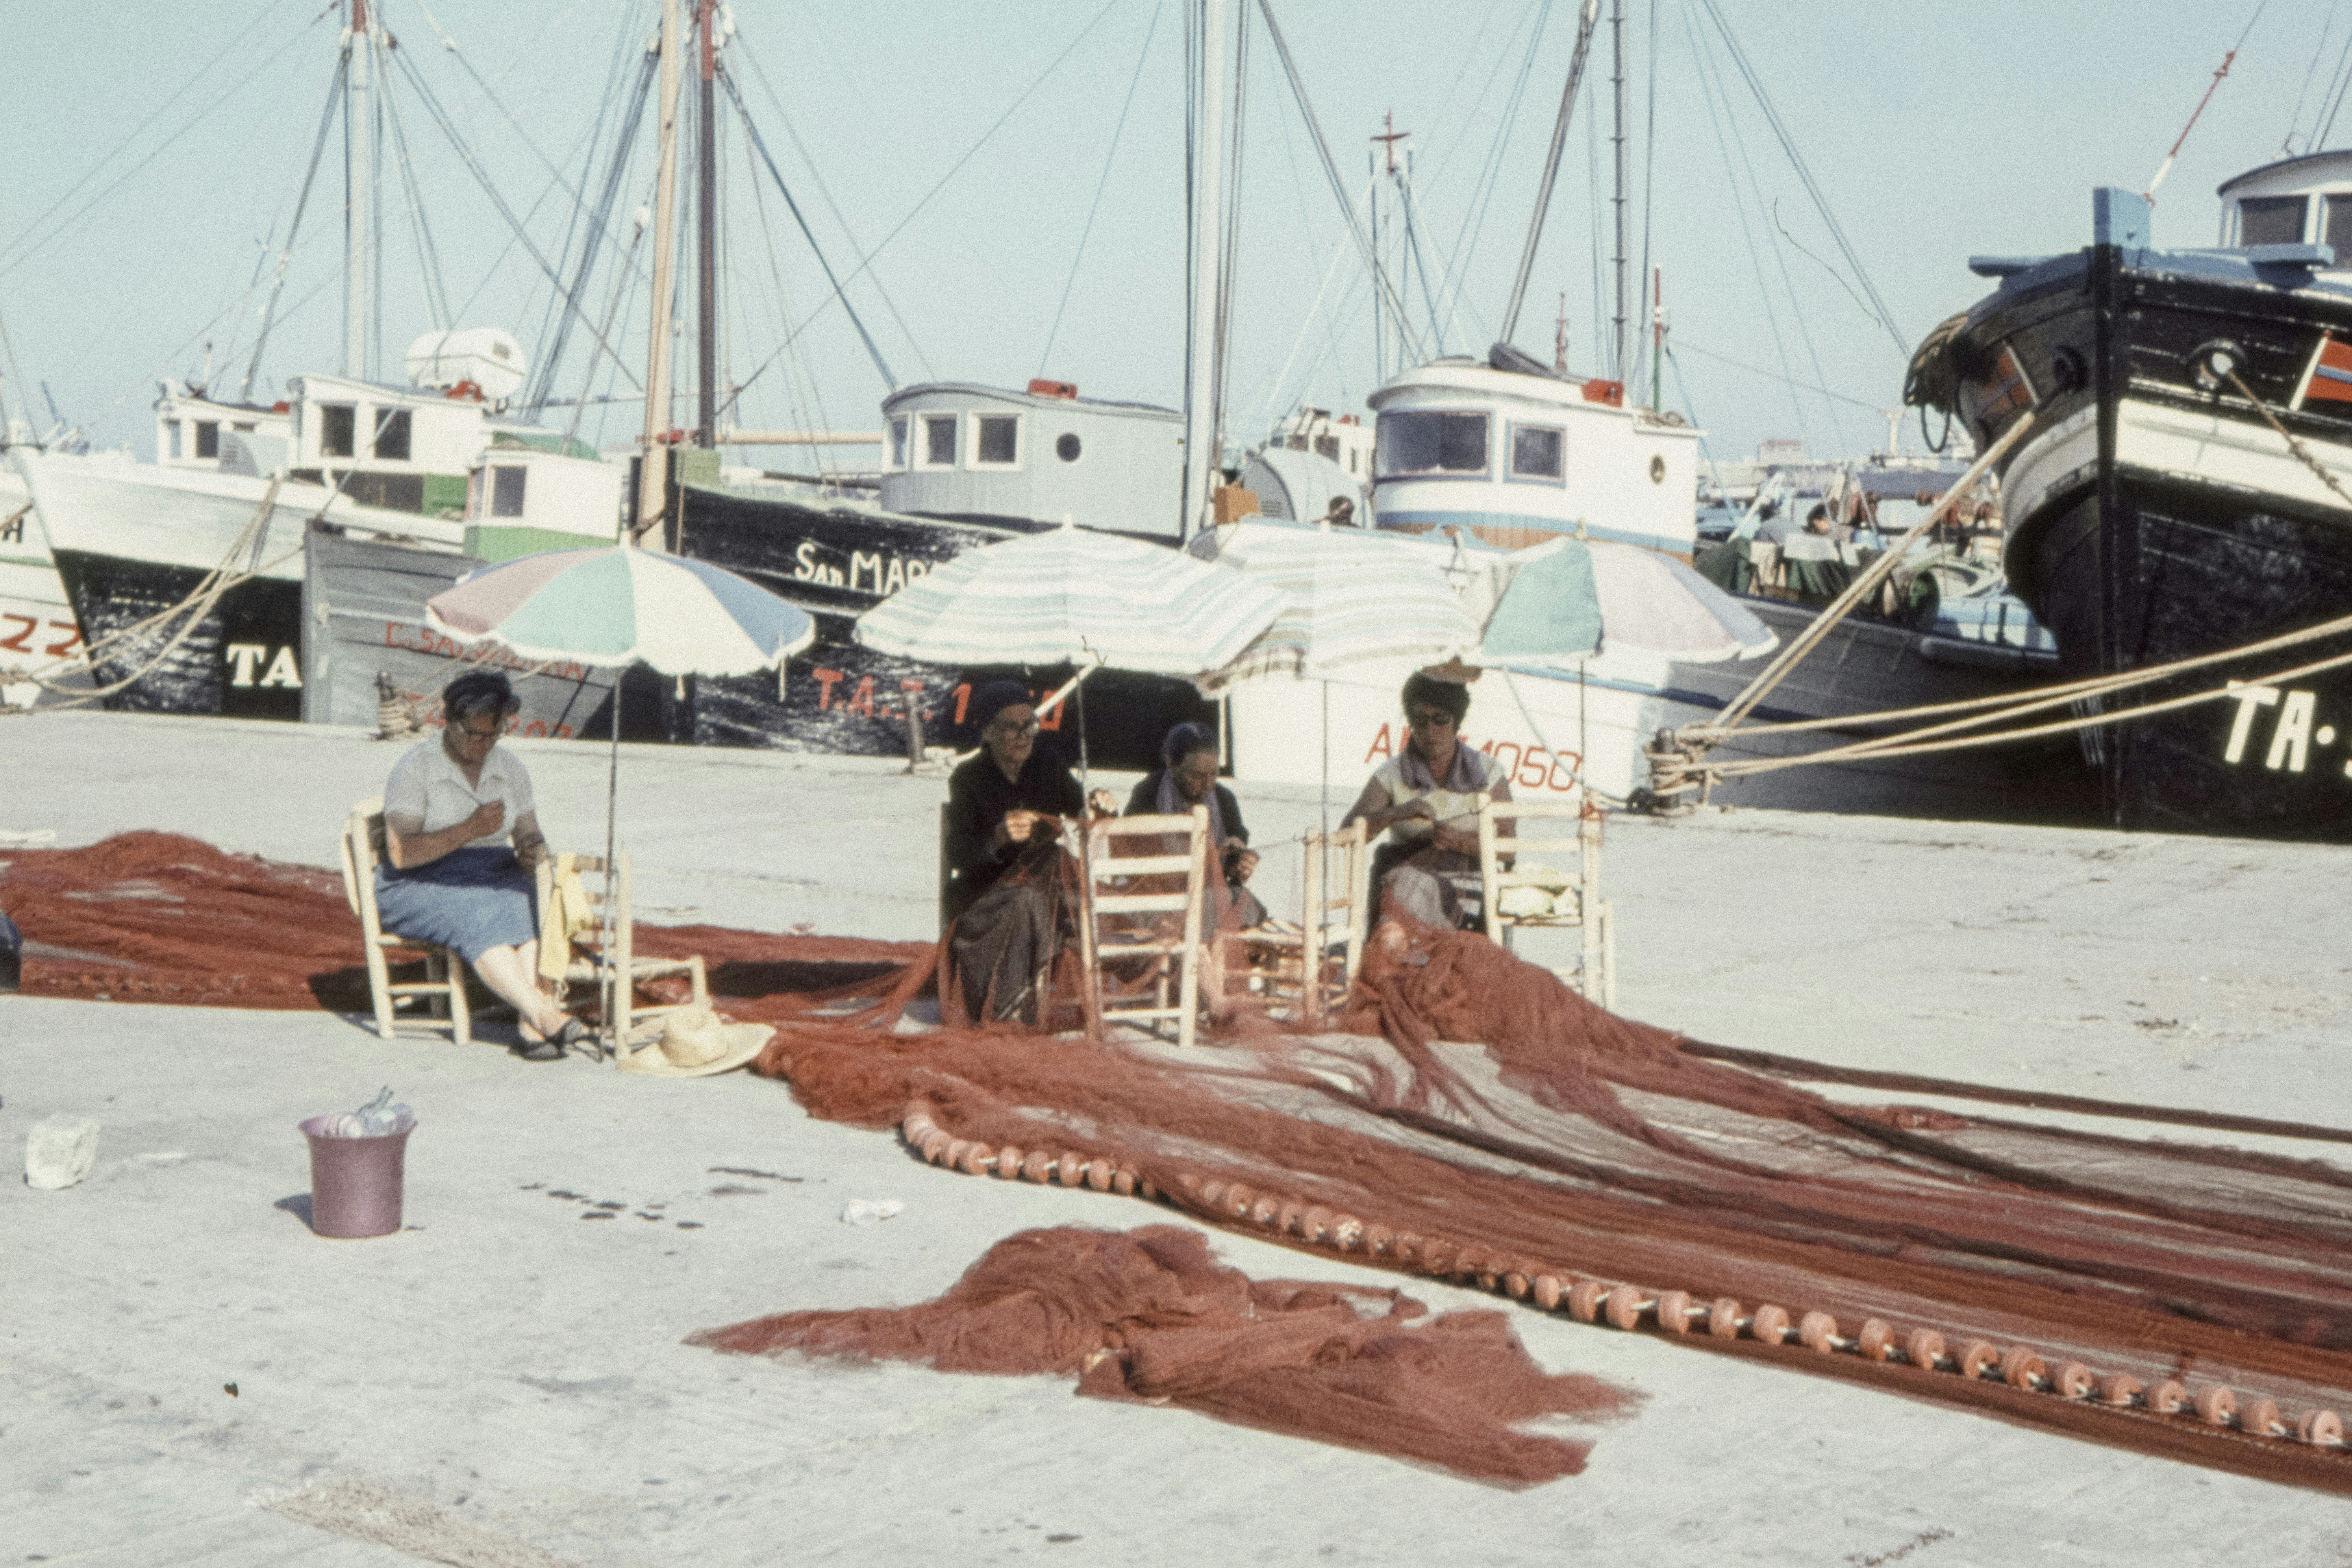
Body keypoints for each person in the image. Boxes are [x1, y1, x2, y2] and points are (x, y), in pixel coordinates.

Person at [376, 671, 585, 1061]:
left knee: (541, 904)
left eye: (493, 735)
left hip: (491, 872)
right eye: (475, 734)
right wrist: (469, 829)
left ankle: (530, 1029)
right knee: (477, 913)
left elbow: (530, 833)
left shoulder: (509, 768)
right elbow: (401, 854)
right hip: (420, 881)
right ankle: (542, 1011)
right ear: (449, 722)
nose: (484, 745)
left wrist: (532, 851)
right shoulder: (416, 769)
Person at [941, 681, 1116, 1022]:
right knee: (1029, 899)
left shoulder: (1046, 764)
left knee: (1063, 894)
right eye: (1011, 727)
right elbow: (959, 851)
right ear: (988, 733)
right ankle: (1006, 1004)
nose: (1024, 736)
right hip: (985, 895)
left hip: (1043, 885)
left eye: (1030, 725)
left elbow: (1080, 809)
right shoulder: (968, 777)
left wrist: (1097, 806)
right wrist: (997, 838)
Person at [1342, 672, 1510, 930]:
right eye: (1420, 721)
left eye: (1441, 719)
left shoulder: (1488, 773)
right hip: (1404, 880)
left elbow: (1509, 848)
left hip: (1471, 886)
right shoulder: (1392, 772)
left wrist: (1460, 842)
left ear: (1457, 722)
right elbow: (1347, 833)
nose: (1430, 731)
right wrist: (1396, 813)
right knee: (1407, 894)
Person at [1125, 721, 1266, 930]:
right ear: (1172, 764)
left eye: (1214, 774)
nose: (1208, 784)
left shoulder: (1224, 799)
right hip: (1158, 899)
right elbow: (1128, 856)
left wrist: (1241, 864)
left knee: (1246, 909)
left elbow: (1232, 870)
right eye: (1197, 776)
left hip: (1209, 895)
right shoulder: (1148, 793)